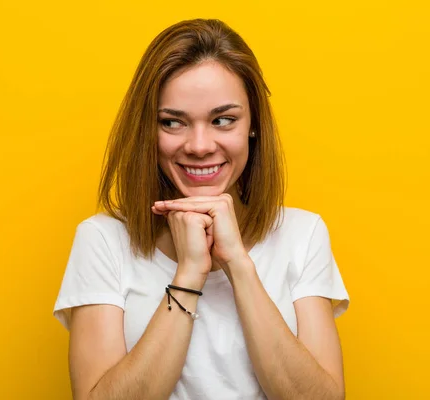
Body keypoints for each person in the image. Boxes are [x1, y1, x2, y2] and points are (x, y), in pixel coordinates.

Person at [54, 18, 350, 400]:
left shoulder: (302, 234)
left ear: (252, 125)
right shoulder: (102, 240)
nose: (199, 145)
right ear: (148, 128)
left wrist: (239, 265)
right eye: (173, 122)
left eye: (223, 120)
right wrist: (190, 272)